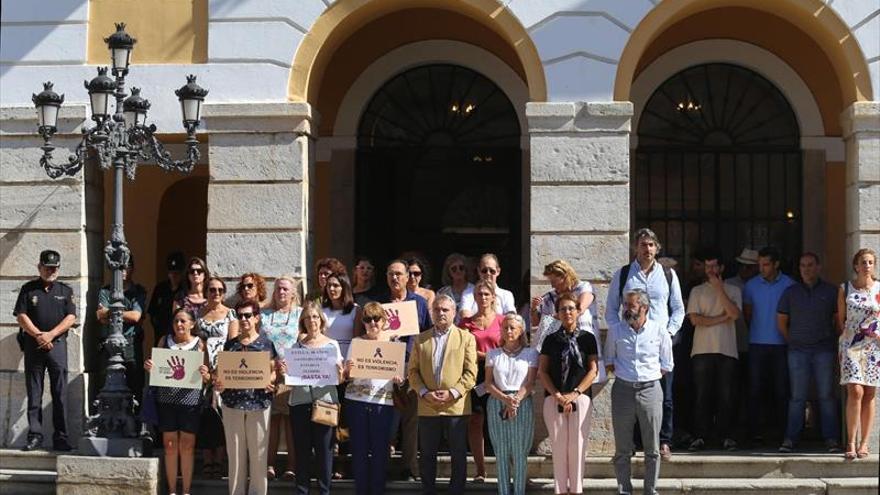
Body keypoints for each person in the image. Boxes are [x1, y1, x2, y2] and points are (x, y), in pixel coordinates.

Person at [605, 228, 684, 460]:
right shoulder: (623, 275)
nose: (647, 249)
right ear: (635, 248)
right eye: (642, 245)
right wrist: (618, 332)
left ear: (657, 248)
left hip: (659, 342)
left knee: (665, 395)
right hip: (630, 342)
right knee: (630, 398)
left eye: (651, 245)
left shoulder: (668, 275)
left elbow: (678, 308)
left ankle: (664, 441)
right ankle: (630, 443)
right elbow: (611, 309)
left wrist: (668, 333)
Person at [605, 289, 674, 495]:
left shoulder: (659, 330)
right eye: (625, 305)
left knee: (652, 448)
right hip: (623, 390)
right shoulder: (616, 330)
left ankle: (650, 490)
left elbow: (666, 364)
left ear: (644, 307)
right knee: (622, 448)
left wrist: (647, 377)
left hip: (651, 390)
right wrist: (628, 376)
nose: (626, 309)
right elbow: (609, 361)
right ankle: (624, 490)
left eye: (630, 305)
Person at [408, 295, 477, 495]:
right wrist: (424, 392)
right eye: (437, 309)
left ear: (454, 313)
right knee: (427, 454)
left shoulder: (467, 338)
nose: (441, 313)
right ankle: (428, 490)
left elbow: (471, 373)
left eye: (445, 310)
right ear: (431, 312)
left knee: (457, 453)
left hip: (456, 405)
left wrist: (453, 393)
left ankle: (456, 491)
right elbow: (412, 372)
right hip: (427, 405)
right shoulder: (421, 339)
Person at [374, 259, 433, 481]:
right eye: (391, 274)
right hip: (383, 366)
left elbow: (428, 335)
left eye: (399, 274)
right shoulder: (379, 303)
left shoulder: (418, 303)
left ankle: (409, 468)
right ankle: (383, 467)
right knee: (385, 420)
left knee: (410, 421)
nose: (395, 278)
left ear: (409, 277)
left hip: (411, 368)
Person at [776, 252, 840, 453]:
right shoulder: (790, 292)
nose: (806, 269)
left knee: (826, 396)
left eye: (810, 265)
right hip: (798, 351)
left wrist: (831, 339)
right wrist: (792, 340)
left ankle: (831, 439)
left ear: (818, 267)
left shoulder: (831, 291)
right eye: (803, 265)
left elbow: (839, 321)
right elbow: (781, 321)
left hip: (824, 350)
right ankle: (791, 439)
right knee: (797, 397)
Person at [14, 249, 76, 452]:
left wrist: (50, 335)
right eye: (47, 267)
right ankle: (34, 436)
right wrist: (39, 335)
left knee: (59, 394)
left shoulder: (65, 291)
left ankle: (61, 437)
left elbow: (71, 318)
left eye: (54, 268)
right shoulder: (28, 289)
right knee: (34, 393)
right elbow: (21, 316)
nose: (51, 271)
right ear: (39, 267)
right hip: (34, 346)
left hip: (57, 346)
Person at [215, 299, 278, 495]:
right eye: (240, 315)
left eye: (248, 315)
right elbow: (221, 373)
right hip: (232, 405)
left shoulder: (266, 344)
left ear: (256, 318)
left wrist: (271, 381)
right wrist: (219, 383)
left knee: (259, 457)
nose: (243, 319)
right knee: (235, 457)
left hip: (259, 404)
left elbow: (274, 371)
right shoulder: (230, 345)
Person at [538, 294, 599, 495]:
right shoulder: (550, 339)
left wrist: (575, 393)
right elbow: (543, 371)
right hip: (554, 397)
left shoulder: (587, 338)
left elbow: (593, 370)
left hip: (579, 397)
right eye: (563, 309)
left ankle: (576, 490)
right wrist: (557, 395)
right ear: (557, 314)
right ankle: (560, 490)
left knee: (578, 445)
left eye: (571, 308)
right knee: (558, 446)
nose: (567, 312)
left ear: (578, 311)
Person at [144, 307, 209, 495]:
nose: (179, 324)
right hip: (166, 400)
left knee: (188, 446)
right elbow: (156, 368)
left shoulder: (200, 344)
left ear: (192, 324)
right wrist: (150, 366)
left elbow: (207, 377)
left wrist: (206, 374)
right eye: (176, 321)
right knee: (170, 446)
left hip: (190, 401)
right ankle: (172, 491)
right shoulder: (164, 341)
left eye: (183, 321)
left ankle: (186, 491)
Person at [342, 302, 404, 495]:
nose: (372, 323)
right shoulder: (356, 343)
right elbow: (346, 375)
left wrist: (399, 380)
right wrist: (348, 371)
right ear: (363, 322)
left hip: (382, 403)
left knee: (380, 452)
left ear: (384, 321)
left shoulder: (393, 345)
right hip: (357, 401)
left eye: (376, 319)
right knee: (359, 451)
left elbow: (400, 379)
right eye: (368, 319)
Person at [684, 249, 741, 451]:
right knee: (702, 394)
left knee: (726, 395)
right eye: (707, 266)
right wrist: (720, 318)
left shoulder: (733, 290)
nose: (710, 270)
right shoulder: (696, 291)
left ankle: (726, 436)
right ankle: (699, 435)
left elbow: (734, 314)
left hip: (727, 350)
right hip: (701, 350)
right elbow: (695, 320)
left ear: (722, 268)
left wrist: (719, 289)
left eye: (714, 266)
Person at [285, 301, 343, 495]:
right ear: (303, 321)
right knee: (302, 453)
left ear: (321, 320)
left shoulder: (331, 345)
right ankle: (302, 492)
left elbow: (340, 379)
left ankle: (324, 492)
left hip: (325, 403)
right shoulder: (296, 346)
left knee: (324, 454)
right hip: (300, 404)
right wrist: (285, 371)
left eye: (315, 316)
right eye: (308, 317)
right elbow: (291, 380)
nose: (312, 321)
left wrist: (342, 372)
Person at [742, 246, 795, 445]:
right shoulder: (751, 285)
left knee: (781, 390)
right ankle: (754, 433)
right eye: (760, 264)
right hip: (757, 344)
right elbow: (748, 314)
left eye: (765, 264)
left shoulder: (790, 285)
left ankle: (782, 433)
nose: (762, 268)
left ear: (776, 264)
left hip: (781, 344)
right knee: (755, 390)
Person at [485, 313, 538, 495]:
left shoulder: (530, 354)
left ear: (521, 330)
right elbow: (488, 384)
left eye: (513, 327)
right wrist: (506, 399)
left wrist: (515, 400)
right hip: (497, 402)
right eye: (505, 327)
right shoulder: (493, 354)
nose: (509, 331)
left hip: (522, 403)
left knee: (519, 452)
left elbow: (531, 383)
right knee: (501, 452)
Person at [458, 280, 503, 482]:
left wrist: (484, 355)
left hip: (499, 376)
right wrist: (484, 355)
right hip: (475, 376)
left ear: (493, 297)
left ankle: (507, 467)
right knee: (475, 421)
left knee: (501, 422)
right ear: (474, 297)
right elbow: (460, 351)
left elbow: (512, 347)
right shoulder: (465, 324)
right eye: (479, 294)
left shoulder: (503, 321)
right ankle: (480, 470)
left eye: (486, 294)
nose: (483, 298)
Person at [837, 248, 879, 460]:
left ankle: (864, 443)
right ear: (856, 265)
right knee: (855, 391)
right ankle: (851, 442)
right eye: (863, 262)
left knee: (870, 393)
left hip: (875, 346)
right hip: (851, 344)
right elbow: (841, 320)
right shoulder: (846, 288)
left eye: (870, 262)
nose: (867, 266)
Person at [261, 275, 302, 481]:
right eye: (278, 289)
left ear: (293, 292)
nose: (282, 292)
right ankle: (269, 465)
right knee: (273, 421)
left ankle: (291, 466)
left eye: (286, 289)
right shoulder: (264, 315)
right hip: (268, 373)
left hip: (293, 374)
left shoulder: (300, 314)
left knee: (290, 421)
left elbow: (305, 341)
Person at [96, 255, 147, 408]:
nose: (123, 270)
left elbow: (135, 316)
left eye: (127, 266)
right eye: (120, 267)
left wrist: (110, 313)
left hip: (131, 343)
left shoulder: (138, 292)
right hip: (109, 343)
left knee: (134, 382)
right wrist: (125, 314)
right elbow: (99, 316)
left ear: (132, 268)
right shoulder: (105, 291)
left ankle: (135, 423)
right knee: (107, 382)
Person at [197, 276, 236, 479]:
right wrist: (205, 370)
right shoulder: (199, 313)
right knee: (205, 415)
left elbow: (232, 344)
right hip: (203, 369)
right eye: (212, 290)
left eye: (220, 290)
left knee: (221, 415)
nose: (216, 294)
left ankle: (219, 460)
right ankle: (207, 459)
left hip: (223, 371)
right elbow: (197, 341)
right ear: (207, 291)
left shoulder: (231, 314)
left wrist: (219, 371)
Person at [725, 248, 759, 439]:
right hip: (733, 344)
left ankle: (752, 429)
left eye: (751, 266)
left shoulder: (757, 285)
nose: (747, 269)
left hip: (754, 343)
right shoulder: (729, 285)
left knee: (753, 389)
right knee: (731, 390)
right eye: (745, 266)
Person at [460, 254, 516, 318]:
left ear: (498, 271)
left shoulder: (506, 295)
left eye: (492, 271)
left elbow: (511, 317)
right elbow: (465, 315)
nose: (488, 273)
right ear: (478, 271)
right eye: (484, 271)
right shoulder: (468, 293)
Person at [147, 251, 185, 342]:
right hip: (161, 334)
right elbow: (152, 311)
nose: (174, 276)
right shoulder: (160, 288)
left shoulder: (185, 289)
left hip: (180, 334)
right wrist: (157, 324)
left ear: (182, 273)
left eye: (177, 273)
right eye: (171, 273)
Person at [437, 253, 475, 319]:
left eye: (461, 268)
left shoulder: (475, 290)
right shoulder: (442, 293)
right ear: (448, 272)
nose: (458, 271)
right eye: (454, 269)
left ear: (466, 270)